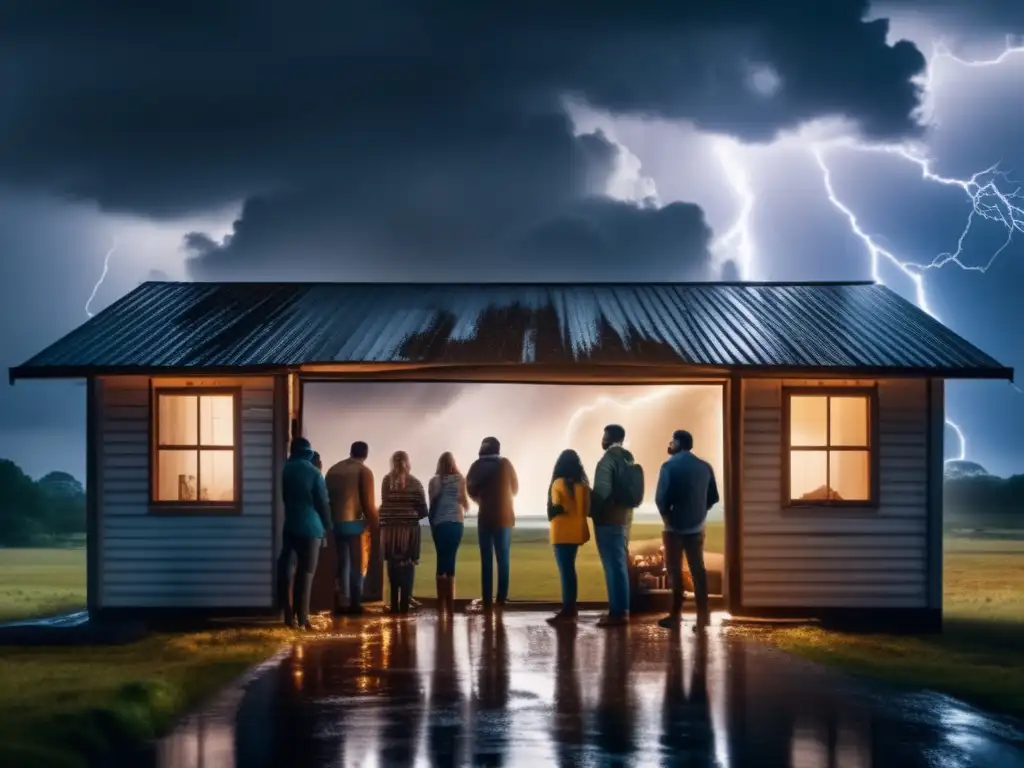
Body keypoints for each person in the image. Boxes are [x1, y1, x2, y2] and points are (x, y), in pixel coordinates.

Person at [654, 429, 719, 632]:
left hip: (674, 528)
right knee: (698, 570)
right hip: (697, 527)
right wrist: (701, 511)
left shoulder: (668, 466)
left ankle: (675, 616)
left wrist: (668, 517)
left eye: (672, 441)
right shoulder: (705, 467)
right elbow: (713, 497)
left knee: (674, 571)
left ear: (678, 443)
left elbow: (660, 499)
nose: (670, 444)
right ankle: (703, 616)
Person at [278, 436, 331, 630]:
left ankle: (288, 615)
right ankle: (303, 619)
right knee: (306, 574)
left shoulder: (286, 470)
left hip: (290, 526)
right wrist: (327, 525)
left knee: (287, 571)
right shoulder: (314, 473)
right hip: (311, 528)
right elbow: (322, 503)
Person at [591, 424, 638, 627]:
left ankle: (618, 614)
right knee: (619, 565)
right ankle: (622, 610)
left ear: (609, 437)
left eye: (604, 435)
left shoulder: (607, 460)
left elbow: (602, 492)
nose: (602, 438)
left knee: (612, 567)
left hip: (608, 521)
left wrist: (592, 512)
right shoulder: (629, 458)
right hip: (624, 519)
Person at [324, 441, 377, 616]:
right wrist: (376, 525)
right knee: (358, 565)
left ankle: (342, 601)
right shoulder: (364, 471)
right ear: (366, 454)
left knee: (343, 564)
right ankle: (355, 603)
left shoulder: (333, 470)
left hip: (335, 523)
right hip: (356, 524)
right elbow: (368, 504)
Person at [466, 436, 519, 610]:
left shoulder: (476, 466)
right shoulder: (505, 464)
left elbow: (470, 489)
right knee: (503, 559)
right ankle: (502, 598)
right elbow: (516, 488)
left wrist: (481, 500)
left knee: (486, 559)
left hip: (485, 517)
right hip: (504, 518)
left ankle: (487, 599)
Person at [379, 450, 428, 614]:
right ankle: (405, 604)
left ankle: (393, 604)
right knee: (407, 566)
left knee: (392, 566)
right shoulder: (415, 483)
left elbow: (384, 501)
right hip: (409, 529)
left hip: (390, 530)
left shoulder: (387, 481)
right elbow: (423, 509)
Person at [546, 449, 591, 625]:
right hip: (577, 532)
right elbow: (587, 509)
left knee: (565, 571)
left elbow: (556, 507)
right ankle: (570, 607)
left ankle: (568, 609)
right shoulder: (584, 486)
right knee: (570, 570)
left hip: (560, 532)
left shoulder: (558, 483)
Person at [428, 451, 469, 614]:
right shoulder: (460, 480)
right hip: (456, 523)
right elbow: (464, 503)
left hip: (439, 524)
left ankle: (440, 604)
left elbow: (432, 502)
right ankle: (450, 604)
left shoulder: (434, 481)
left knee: (441, 559)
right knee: (451, 560)